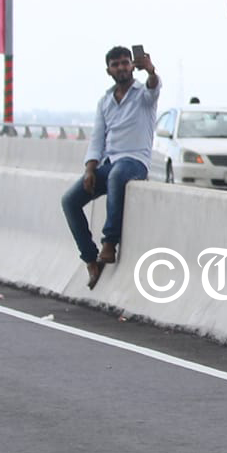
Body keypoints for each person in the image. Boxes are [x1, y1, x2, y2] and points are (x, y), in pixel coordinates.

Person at [63, 45, 161, 289]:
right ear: (109, 70)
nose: (122, 68)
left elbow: (154, 86)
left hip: (135, 162)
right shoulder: (105, 101)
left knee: (117, 175)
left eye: (125, 63)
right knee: (69, 201)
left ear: (132, 65)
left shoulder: (143, 95)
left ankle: (110, 243)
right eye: (116, 64)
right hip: (109, 163)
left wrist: (150, 70)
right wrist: (90, 168)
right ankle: (89, 258)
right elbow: (97, 138)